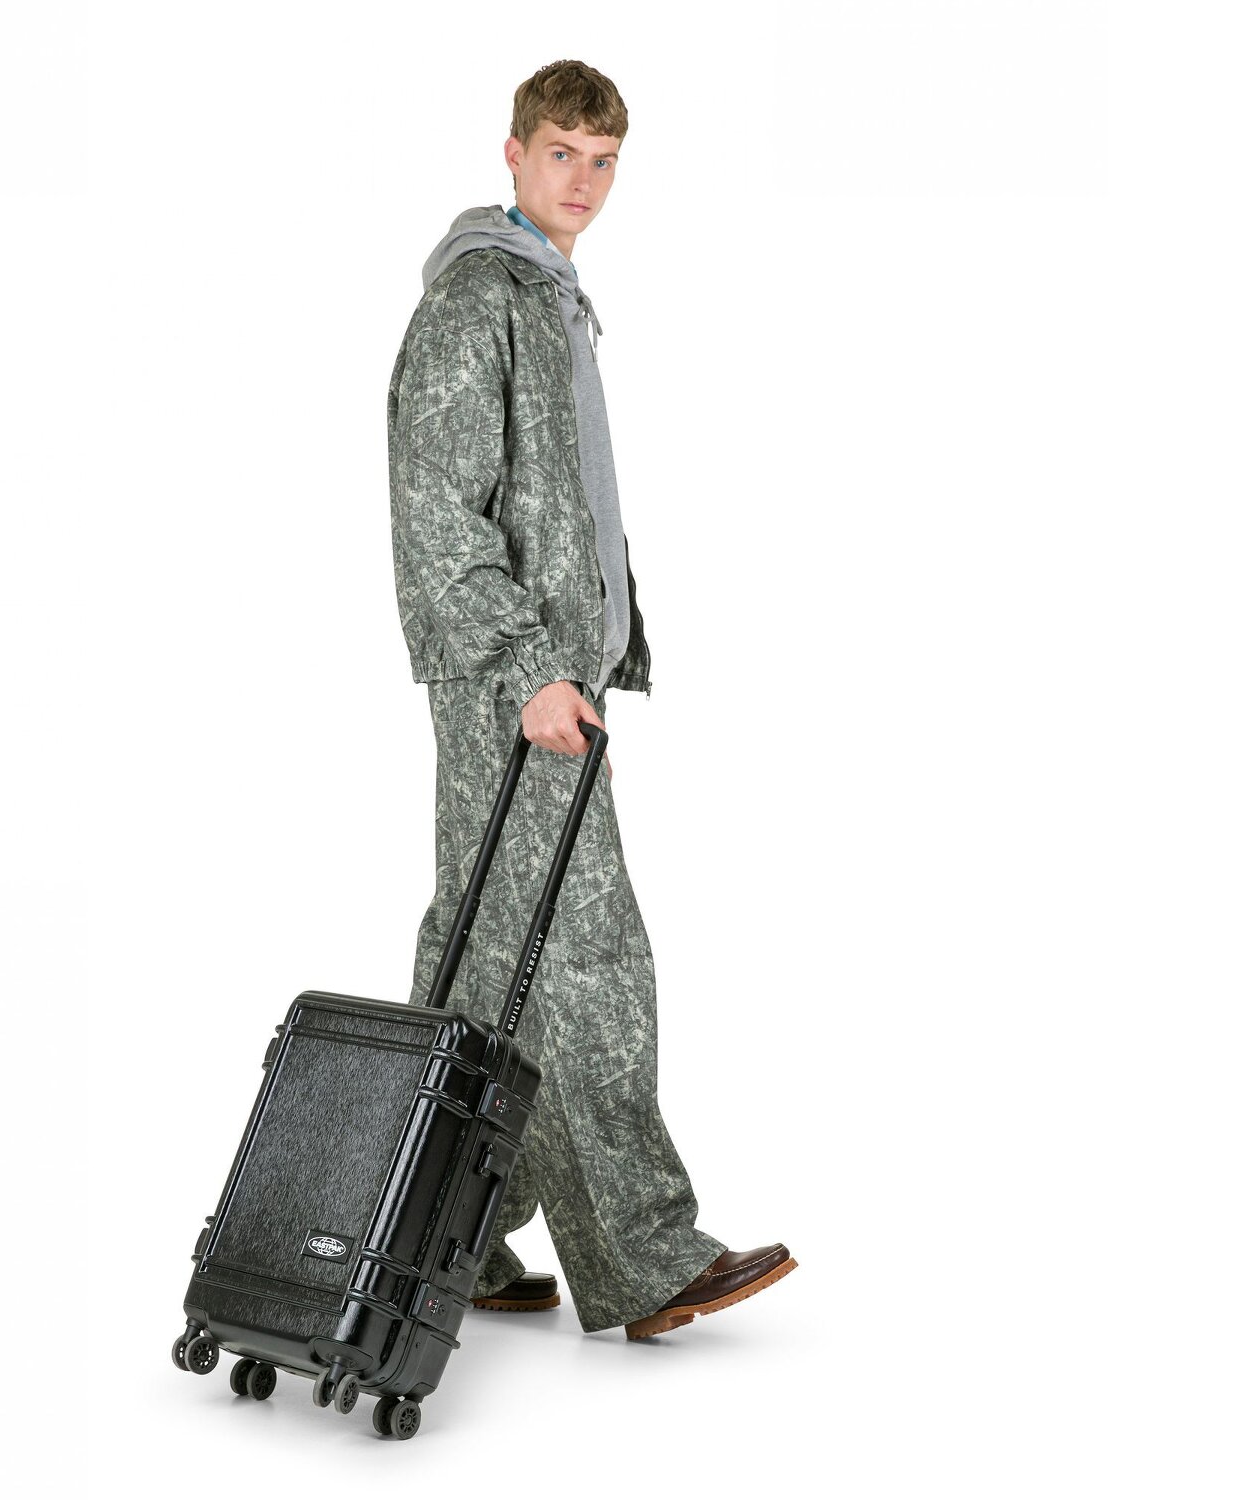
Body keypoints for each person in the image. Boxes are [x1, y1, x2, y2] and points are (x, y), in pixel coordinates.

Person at [386, 58, 797, 1340]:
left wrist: (585, 665)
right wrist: (530, 673)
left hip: (546, 683)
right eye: (561, 152)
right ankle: (645, 1258)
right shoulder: (478, 301)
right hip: (511, 682)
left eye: (604, 159)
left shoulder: (549, 296)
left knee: (481, 961)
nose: (585, 180)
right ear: (512, 153)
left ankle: (435, 1241)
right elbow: (439, 513)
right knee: (590, 966)